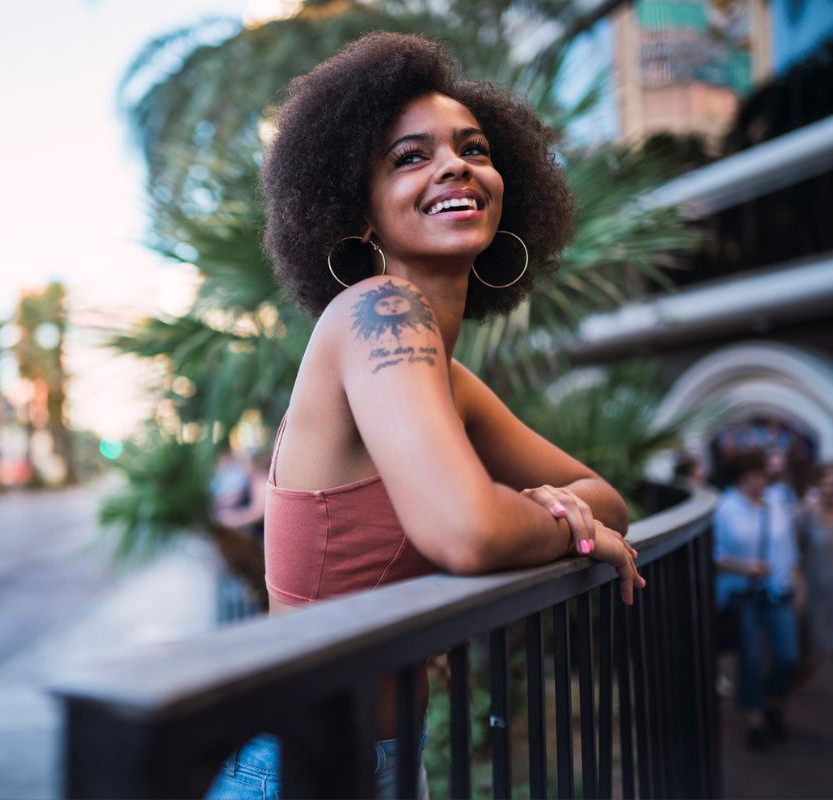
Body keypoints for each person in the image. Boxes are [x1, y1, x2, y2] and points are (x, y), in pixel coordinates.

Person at [206, 32, 641, 800]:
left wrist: (553, 506)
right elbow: (467, 533)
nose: (454, 165)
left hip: (377, 757)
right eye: (410, 156)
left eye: (473, 148)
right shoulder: (376, 310)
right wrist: (563, 521)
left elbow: (606, 497)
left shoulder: (448, 376)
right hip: (298, 771)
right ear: (358, 213)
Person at [712, 449, 802, 750]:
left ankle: (770, 701)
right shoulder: (725, 508)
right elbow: (715, 555)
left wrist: (794, 578)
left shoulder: (776, 503)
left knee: (787, 655)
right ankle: (756, 719)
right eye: (756, 475)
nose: (762, 481)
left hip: (777, 589)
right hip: (744, 593)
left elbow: (788, 545)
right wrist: (744, 566)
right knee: (750, 658)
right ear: (743, 477)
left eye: (764, 474)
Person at [800, 463, 833, 657]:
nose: (830, 489)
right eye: (826, 483)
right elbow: (799, 546)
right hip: (816, 586)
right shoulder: (807, 514)